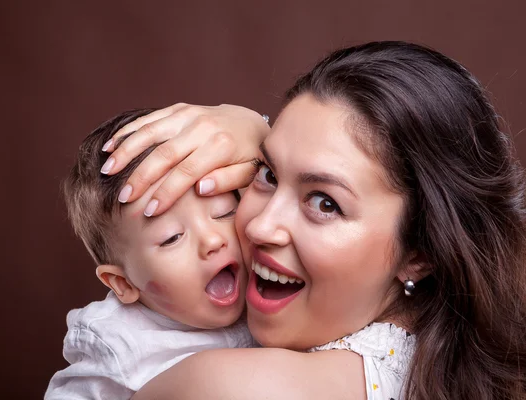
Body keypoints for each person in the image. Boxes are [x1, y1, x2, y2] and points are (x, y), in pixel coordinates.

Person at [101, 42, 526, 399]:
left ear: (420, 252)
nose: (258, 227)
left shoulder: (228, 387)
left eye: (325, 204)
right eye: (266, 174)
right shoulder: (447, 367)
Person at [44, 109, 255, 400]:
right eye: (172, 238)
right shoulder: (119, 344)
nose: (212, 240)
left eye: (224, 213)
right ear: (123, 283)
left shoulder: (268, 281)